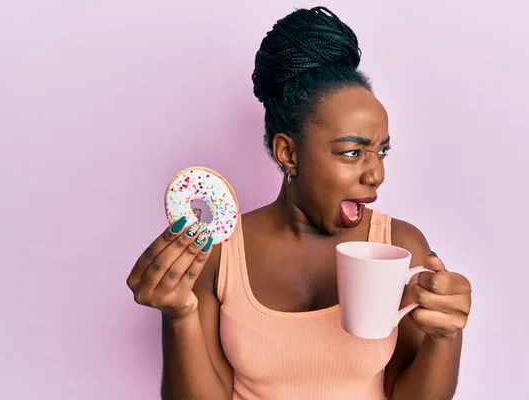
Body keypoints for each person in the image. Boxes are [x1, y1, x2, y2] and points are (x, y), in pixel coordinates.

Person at [126, 6, 472, 400]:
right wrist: (179, 315)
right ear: (288, 153)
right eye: (352, 153)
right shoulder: (220, 251)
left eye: (382, 152)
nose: (376, 174)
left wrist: (447, 337)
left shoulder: (400, 247)